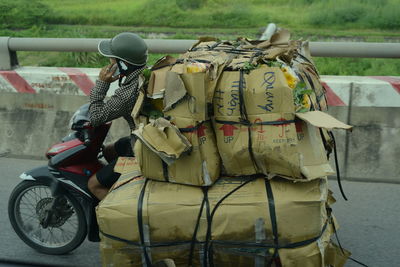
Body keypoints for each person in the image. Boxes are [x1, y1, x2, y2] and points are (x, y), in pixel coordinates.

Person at [87, 32, 147, 200]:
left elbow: (97, 117)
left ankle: (118, 214)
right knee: (109, 150)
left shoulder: (127, 94)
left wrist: (102, 84)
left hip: (143, 151)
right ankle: (122, 187)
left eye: (113, 60)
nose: (110, 63)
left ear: (124, 64)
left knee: (94, 184)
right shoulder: (145, 75)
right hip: (143, 140)